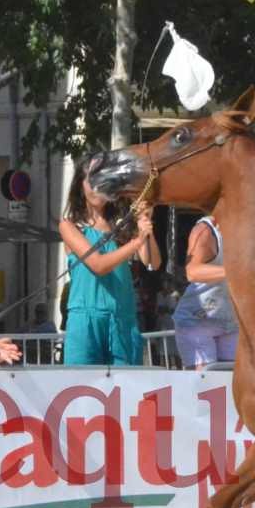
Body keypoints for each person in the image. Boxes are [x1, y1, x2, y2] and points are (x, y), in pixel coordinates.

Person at [59, 153, 161, 365]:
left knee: (127, 391)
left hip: (123, 318)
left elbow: (153, 263)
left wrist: (145, 222)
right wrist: (136, 241)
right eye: (92, 181)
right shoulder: (70, 225)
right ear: (80, 184)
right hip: (85, 320)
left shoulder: (122, 223)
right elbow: (98, 265)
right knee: (82, 391)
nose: (98, 188)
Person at [172, 215, 240, 369]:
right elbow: (192, 272)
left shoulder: (248, 227)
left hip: (231, 322)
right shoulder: (204, 230)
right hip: (196, 321)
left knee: (231, 386)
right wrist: (237, 272)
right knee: (205, 387)